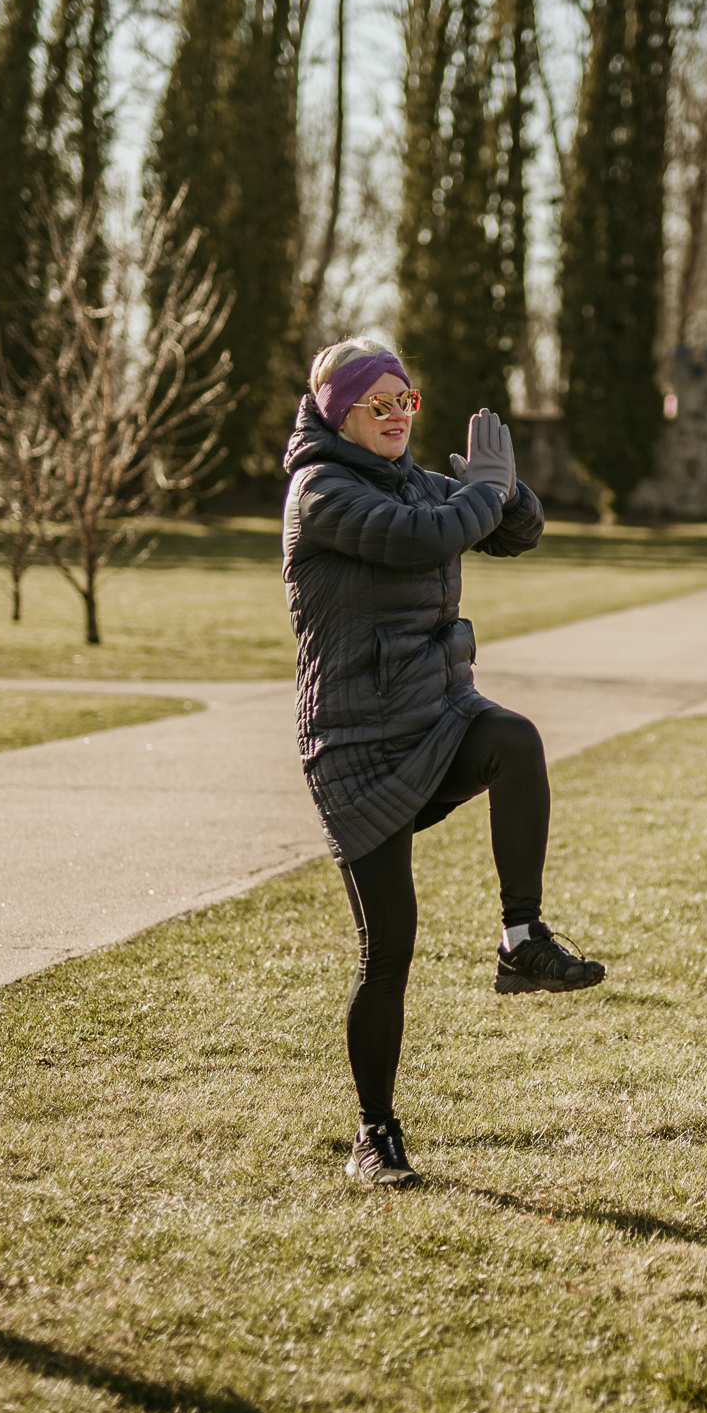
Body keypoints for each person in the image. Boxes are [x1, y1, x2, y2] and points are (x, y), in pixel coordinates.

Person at [282, 338, 608, 1189]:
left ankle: (521, 939)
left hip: (434, 715)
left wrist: (506, 489)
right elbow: (422, 539)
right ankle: (374, 1134)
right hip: (355, 744)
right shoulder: (322, 493)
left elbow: (516, 532)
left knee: (515, 740)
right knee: (389, 946)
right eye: (379, 403)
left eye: (407, 399)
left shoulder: (413, 482)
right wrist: (480, 495)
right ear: (338, 415)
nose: (398, 414)